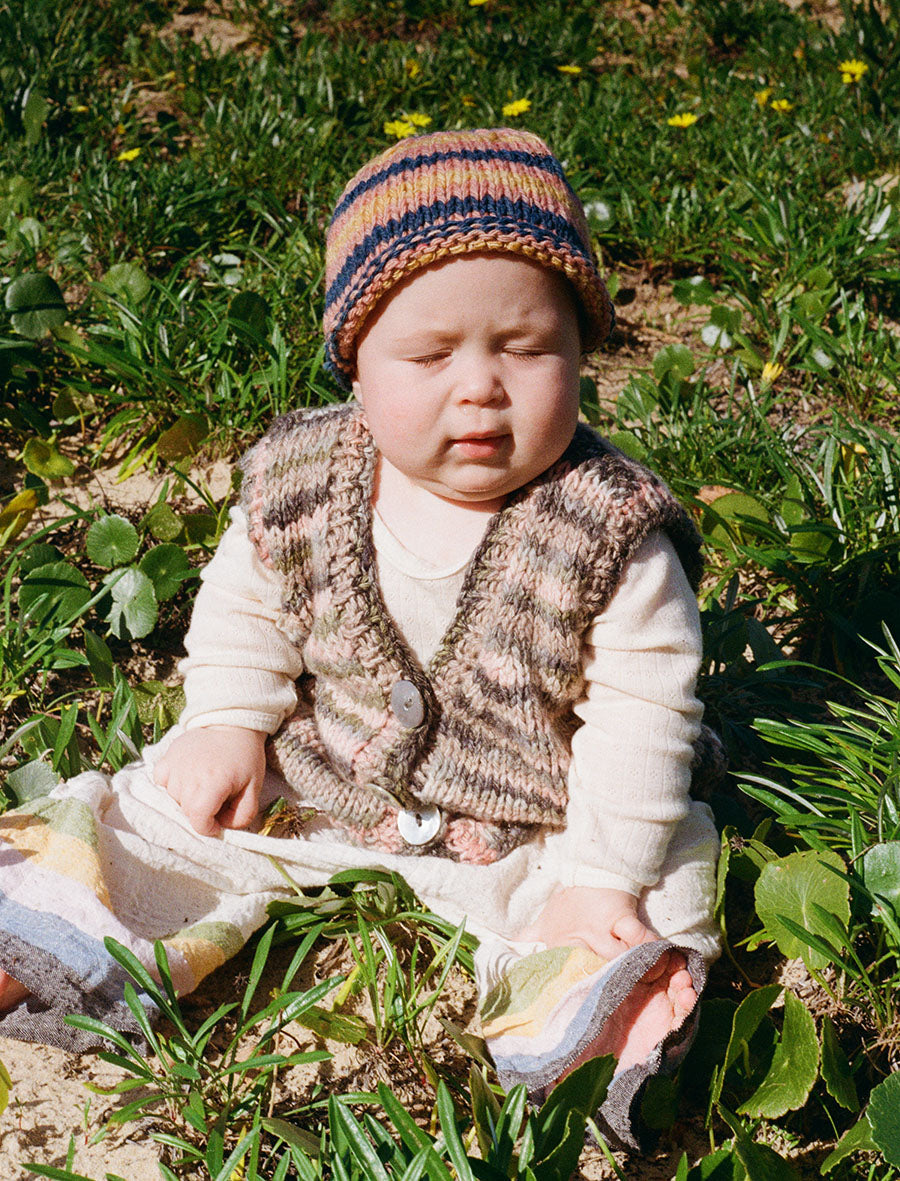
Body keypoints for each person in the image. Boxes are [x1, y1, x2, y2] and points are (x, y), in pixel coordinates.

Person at [0, 128, 721, 1149]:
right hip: (320, 781)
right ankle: (49, 933)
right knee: (158, 811)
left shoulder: (606, 529)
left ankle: (593, 1039)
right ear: (356, 361)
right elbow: (249, 601)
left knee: (648, 889)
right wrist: (227, 720)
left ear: (581, 350)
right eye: (428, 355)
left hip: (542, 820)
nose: (479, 386)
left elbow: (646, 716)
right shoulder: (306, 476)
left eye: (527, 347)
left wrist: (603, 872)